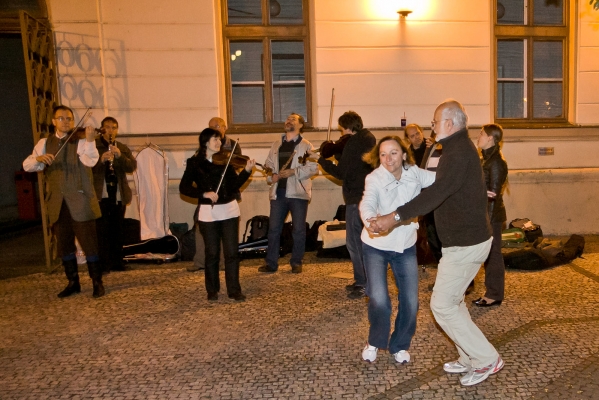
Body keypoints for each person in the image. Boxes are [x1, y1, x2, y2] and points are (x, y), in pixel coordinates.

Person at [367, 100, 503, 386]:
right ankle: (468, 356)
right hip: (462, 241)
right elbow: (438, 187)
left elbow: (436, 192)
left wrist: (395, 217)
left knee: (442, 305)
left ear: (450, 124)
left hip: (467, 243)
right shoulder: (455, 149)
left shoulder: (459, 152)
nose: (432, 126)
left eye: (435, 121)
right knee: (452, 301)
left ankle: (486, 359)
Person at [359, 136, 435, 363]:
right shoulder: (374, 178)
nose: (388, 158)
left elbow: (442, 180)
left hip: (405, 246)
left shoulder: (414, 172)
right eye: (383, 154)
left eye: (393, 153)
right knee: (379, 299)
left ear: (403, 154)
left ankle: (400, 345)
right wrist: (370, 219)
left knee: (411, 300)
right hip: (376, 245)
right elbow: (367, 201)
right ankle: (374, 341)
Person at [23, 105, 105, 298]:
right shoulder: (44, 143)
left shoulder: (81, 140)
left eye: (69, 118)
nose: (66, 121)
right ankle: (72, 282)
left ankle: (97, 282)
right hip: (58, 203)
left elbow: (91, 161)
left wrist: (91, 141)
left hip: (80, 200)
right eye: (62, 118)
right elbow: (27, 165)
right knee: (65, 245)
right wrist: (39, 159)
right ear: (53, 121)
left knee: (89, 243)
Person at [179, 128, 255, 301]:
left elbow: (234, 184)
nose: (219, 143)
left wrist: (247, 171)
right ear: (205, 141)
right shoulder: (194, 163)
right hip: (208, 213)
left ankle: (234, 290)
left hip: (229, 209)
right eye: (215, 139)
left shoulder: (225, 162)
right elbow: (184, 187)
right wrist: (204, 194)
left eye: (220, 140)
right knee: (212, 252)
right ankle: (212, 290)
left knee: (231, 252)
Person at [311, 111, 375, 299]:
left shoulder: (353, 143)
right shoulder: (369, 139)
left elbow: (341, 173)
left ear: (347, 127)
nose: (341, 135)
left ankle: (363, 283)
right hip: (369, 197)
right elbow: (353, 165)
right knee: (366, 242)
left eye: (341, 130)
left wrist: (321, 160)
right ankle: (365, 281)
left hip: (356, 198)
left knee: (354, 243)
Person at [258, 113, 318, 274]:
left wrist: (294, 172)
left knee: (298, 229)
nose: (288, 121)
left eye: (293, 119)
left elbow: (314, 168)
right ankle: (271, 263)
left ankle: (296, 262)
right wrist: (272, 176)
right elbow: (268, 165)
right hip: (279, 192)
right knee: (274, 229)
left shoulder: (306, 145)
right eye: (287, 119)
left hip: (298, 193)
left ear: (300, 125)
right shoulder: (276, 144)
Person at [188, 117, 240, 273]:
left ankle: (225, 265)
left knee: (228, 239)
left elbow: (234, 173)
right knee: (203, 233)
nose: (215, 130)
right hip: (207, 202)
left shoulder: (232, 147)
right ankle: (200, 262)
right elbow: (189, 182)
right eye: (211, 127)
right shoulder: (198, 157)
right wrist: (204, 192)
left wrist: (245, 170)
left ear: (224, 128)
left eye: (217, 127)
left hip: (227, 199)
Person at [92, 116, 137, 273]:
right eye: (107, 127)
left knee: (117, 228)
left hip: (118, 193)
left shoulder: (122, 147)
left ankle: (118, 262)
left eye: (114, 127)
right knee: (102, 229)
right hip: (101, 193)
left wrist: (119, 157)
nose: (110, 130)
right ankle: (104, 264)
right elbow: (86, 167)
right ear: (102, 129)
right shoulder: (93, 146)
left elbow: (132, 166)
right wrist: (100, 160)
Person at [473, 124, 508, 307]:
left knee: (493, 254)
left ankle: (494, 294)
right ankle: (491, 291)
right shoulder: (486, 159)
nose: (478, 136)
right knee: (487, 254)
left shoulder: (496, 163)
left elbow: (492, 194)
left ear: (490, 138)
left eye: (481, 134)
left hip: (492, 216)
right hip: (485, 214)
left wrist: (486, 219)